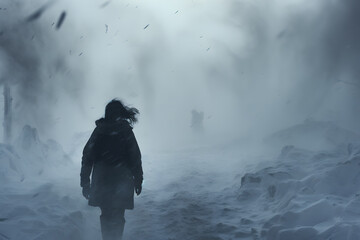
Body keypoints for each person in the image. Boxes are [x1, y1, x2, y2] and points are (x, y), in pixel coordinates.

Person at [80, 99, 143, 240]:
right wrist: (138, 180)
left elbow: (87, 158)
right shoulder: (125, 131)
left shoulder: (99, 131)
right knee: (119, 214)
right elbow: (135, 157)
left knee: (106, 214)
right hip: (122, 181)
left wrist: (85, 183)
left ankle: (107, 237)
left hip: (102, 181)